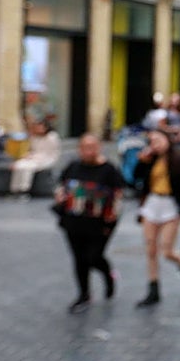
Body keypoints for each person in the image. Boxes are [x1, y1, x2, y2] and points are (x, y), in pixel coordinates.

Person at [54, 134, 125, 313]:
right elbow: (61, 185)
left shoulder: (109, 170)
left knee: (94, 257)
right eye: (85, 147)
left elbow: (118, 195)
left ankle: (107, 275)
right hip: (74, 220)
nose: (89, 151)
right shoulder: (73, 166)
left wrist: (112, 219)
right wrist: (60, 195)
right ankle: (83, 294)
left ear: (99, 147)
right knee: (79, 259)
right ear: (79, 149)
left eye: (92, 147)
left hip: (99, 223)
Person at [132, 130, 180, 307]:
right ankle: (153, 288)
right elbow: (135, 179)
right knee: (150, 248)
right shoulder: (149, 159)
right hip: (152, 204)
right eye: (151, 141)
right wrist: (141, 163)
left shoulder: (179, 159)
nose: (155, 144)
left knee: (166, 250)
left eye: (158, 140)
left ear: (167, 140)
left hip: (170, 206)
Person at [9, 119, 62, 195]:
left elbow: (51, 153)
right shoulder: (33, 137)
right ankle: (15, 189)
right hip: (33, 157)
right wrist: (25, 156)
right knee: (18, 165)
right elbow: (31, 150)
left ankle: (24, 190)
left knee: (27, 167)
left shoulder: (52, 137)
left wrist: (34, 157)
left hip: (47, 159)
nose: (38, 129)